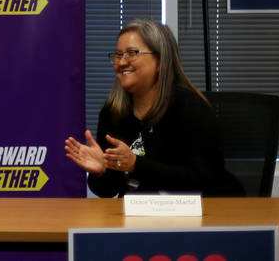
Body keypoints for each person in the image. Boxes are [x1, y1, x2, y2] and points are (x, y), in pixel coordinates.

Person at [64, 19, 243, 197]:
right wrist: (102, 171)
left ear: (159, 60)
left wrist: (136, 165)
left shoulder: (192, 108)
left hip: (201, 217)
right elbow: (108, 190)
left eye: (132, 53)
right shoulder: (113, 113)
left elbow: (205, 180)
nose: (122, 62)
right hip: (138, 217)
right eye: (118, 55)